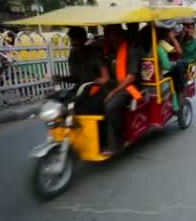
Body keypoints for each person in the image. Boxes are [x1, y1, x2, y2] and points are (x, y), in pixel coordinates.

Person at [102, 25, 143, 155]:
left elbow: (131, 77)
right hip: (111, 85)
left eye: (110, 34)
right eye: (106, 34)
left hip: (128, 87)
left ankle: (117, 142)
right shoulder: (108, 51)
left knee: (111, 106)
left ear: (119, 35)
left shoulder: (132, 51)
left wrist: (113, 92)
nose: (107, 37)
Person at [58, 27, 109, 114]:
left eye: (77, 39)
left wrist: (98, 81)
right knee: (58, 103)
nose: (74, 42)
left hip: (96, 89)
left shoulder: (94, 53)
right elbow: (75, 78)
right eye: (72, 39)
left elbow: (105, 77)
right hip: (80, 89)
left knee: (82, 106)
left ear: (84, 39)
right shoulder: (72, 55)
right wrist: (62, 78)